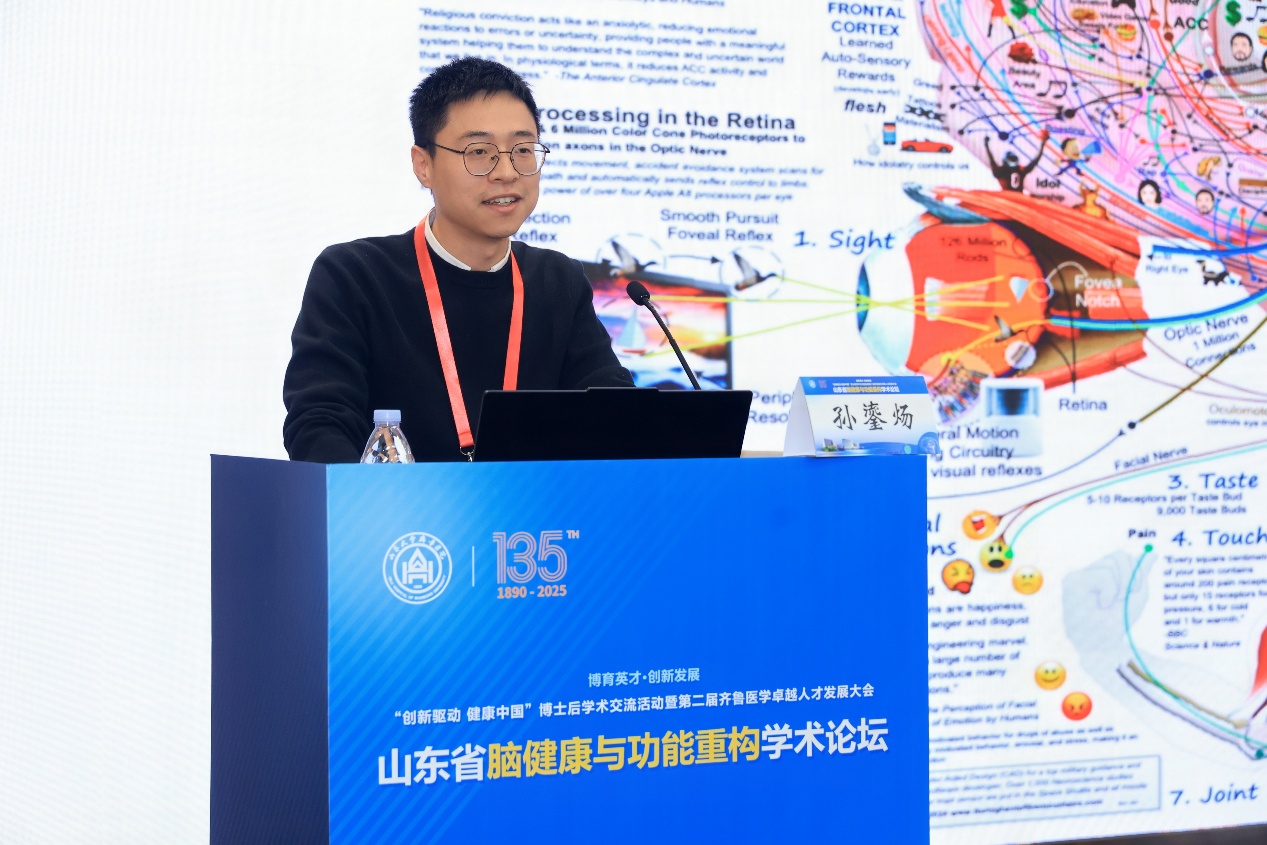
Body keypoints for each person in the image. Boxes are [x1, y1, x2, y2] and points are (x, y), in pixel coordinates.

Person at [283, 58, 632, 463]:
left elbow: (616, 415)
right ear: (424, 165)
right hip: (403, 505)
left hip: (530, 505)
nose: (507, 172)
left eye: (522, 150)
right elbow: (318, 424)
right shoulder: (355, 276)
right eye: (479, 152)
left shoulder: (558, 281)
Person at [984, 128, 1049, 192]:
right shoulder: (1021, 170)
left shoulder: (1000, 171)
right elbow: (1035, 161)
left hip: (1006, 196)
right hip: (1019, 195)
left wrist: (986, 145)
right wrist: (1042, 144)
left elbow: (992, 161)